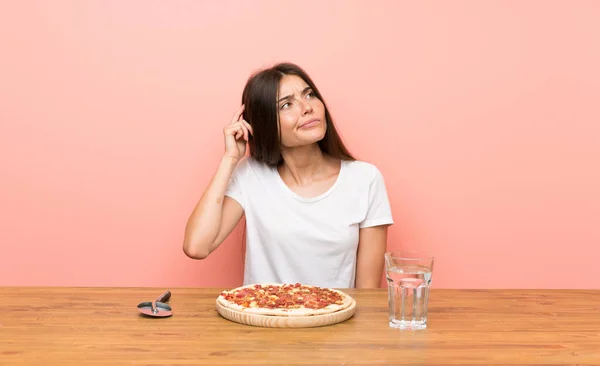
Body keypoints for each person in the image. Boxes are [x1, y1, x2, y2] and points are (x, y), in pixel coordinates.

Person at [183, 62, 394, 288]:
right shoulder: (250, 175)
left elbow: (368, 291)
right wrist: (230, 159)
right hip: (264, 318)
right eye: (286, 105)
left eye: (310, 95)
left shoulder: (365, 179)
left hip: (335, 320)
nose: (307, 108)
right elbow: (197, 247)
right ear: (264, 123)